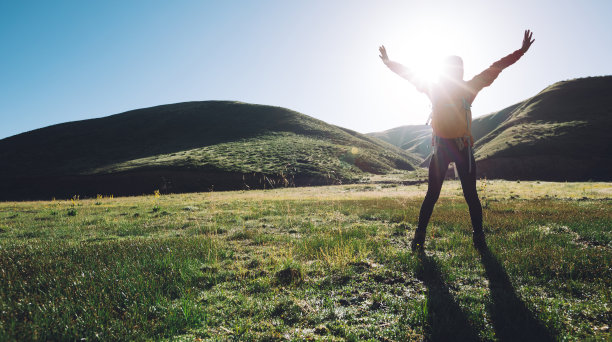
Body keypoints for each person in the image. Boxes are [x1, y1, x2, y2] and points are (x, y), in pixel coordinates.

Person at [379, 30, 534, 251]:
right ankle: (477, 239)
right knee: (468, 196)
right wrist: (521, 51)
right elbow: (497, 66)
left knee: (435, 195)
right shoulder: (467, 86)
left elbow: (408, 73)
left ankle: (421, 239)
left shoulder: (436, 88)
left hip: (444, 148)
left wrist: (388, 63)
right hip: (460, 148)